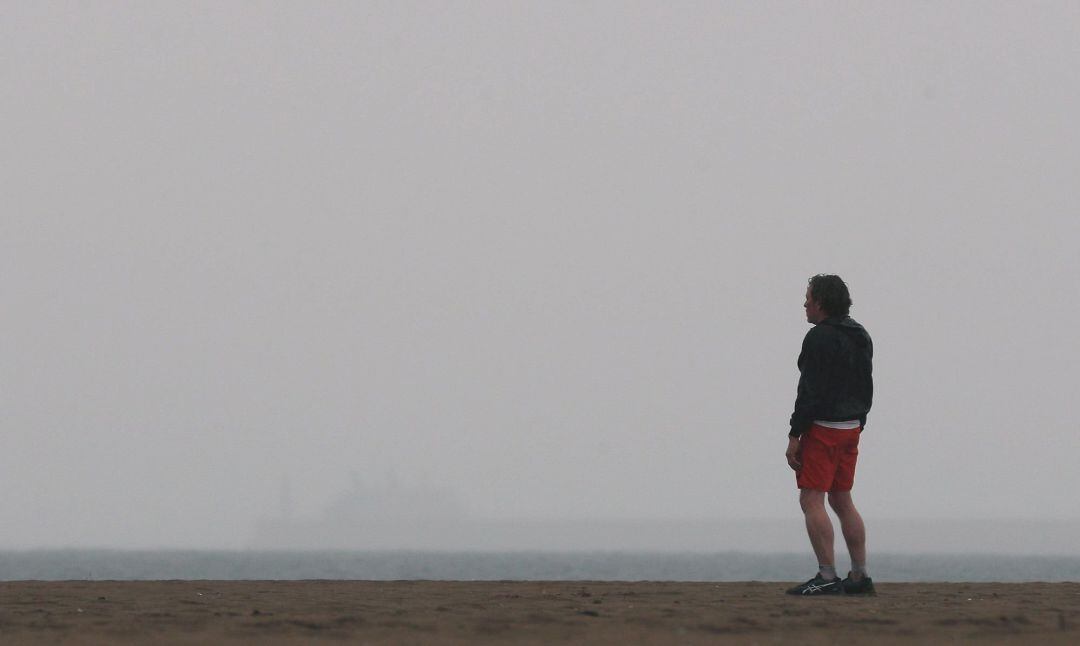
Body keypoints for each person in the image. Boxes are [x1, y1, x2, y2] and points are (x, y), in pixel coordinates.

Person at [784, 274, 875, 596]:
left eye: (808, 297)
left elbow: (810, 390)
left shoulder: (819, 338)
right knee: (842, 498)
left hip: (825, 428)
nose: (805, 304)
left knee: (811, 498)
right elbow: (866, 384)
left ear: (820, 302)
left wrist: (795, 434)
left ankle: (827, 575)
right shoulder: (859, 334)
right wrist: (860, 420)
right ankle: (860, 575)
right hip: (851, 427)